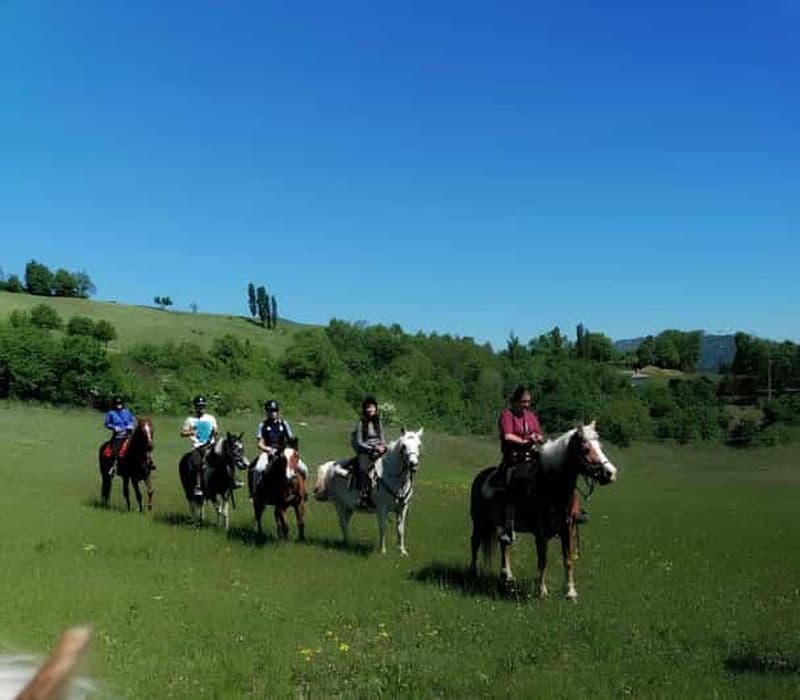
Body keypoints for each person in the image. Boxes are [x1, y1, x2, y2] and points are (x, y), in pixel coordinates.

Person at [497, 385, 544, 545]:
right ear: (515, 401)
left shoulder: (531, 416)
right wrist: (525, 441)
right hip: (514, 459)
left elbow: (539, 434)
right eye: (523, 402)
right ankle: (507, 525)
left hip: (531, 457)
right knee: (513, 481)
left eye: (528, 401)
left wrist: (537, 438)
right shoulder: (507, 415)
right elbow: (508, 435)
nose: (527, 405)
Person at [251, 399, 295, 492]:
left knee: (302, 468)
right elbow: (260, 444)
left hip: (284, 451)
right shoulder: (262, 425)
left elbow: (290, 439)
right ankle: (255, 492)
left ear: (278, 412)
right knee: (258, 469)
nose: (272, 413)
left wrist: (288, 449)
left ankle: (301, 492)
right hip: (268, 452)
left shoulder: (284, 424)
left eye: (274, 411)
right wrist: (268, 449)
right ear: (266, 412)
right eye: (270, 411)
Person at [350, 395, 387, 504]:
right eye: (367, 407)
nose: (369, 409)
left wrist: (384, 446)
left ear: (376, 408)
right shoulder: (361, 423)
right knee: (363, 469)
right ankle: (363, 494)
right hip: (365, 451)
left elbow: (382, 438)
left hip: (379, 450)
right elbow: (359, 442)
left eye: (371, 407)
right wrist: (374, 447)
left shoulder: (378, 422)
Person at [180, 395, 218, 496]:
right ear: (195, 407)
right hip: (197, 446)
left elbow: (215, 431)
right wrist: (191, 432)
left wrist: (214, 433)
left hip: (211, 445)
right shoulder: (190, 420)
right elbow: (182, 433)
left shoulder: (211, 418)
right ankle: (198, 486)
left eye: (202, 406)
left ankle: (232, 479)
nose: (201, 408)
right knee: (197, 462)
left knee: (225, 456)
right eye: (198, 406)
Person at [104, 395, 135, 475]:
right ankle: (113, 467)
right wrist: (114, 427)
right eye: (117, 404)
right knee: (114, 451)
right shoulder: (111, 413)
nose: (119, 405)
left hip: (129, 434)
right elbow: (107, 424)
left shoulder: (127, 411)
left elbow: (132, 419)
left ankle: (148, 463)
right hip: (118, 436)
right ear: (114, 404)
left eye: (120, 403)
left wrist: (130, 425)